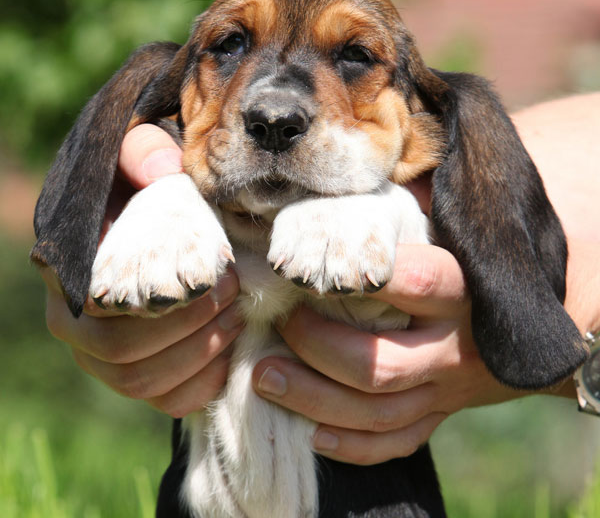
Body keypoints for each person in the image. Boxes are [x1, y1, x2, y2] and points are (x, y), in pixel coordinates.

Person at [42, 93, 600, 466]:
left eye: (357, 55)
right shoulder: (182, 168)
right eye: (230, 46)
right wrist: (158, 195)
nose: (276, 107)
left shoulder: (403, 178)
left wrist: (548, 321)